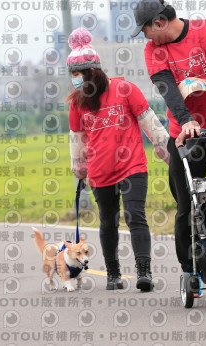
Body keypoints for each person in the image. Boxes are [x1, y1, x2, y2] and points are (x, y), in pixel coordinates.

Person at [131, 0, 206, 278]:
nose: (145, 37)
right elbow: (167, 87)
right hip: (185, 138)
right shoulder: (153, 50)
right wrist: (186, 121)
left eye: (145, 30)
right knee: (186, 206)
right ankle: (191, 269)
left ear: (159, 23)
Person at [66, 27, 170, 292]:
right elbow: (77, 138)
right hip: (100, 171)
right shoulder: (78, 103)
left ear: (93, 71)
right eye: (72, 75)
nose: (75, 80)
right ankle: (113, 274)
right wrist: (79, 166)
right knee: (108, 221)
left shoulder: (125, 89)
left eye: (78, 74)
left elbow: (149, 121)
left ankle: (144, 272)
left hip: (132, 166)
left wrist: (166, 149)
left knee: (135, 216)